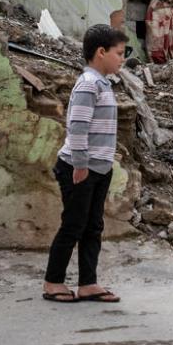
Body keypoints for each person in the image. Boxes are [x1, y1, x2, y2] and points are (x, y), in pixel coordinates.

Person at [42, 24, 128, 304]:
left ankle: (88, 283)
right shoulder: (89, 84)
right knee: (74, 225)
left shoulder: (103, 84)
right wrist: (80, 164)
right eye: (119, 53)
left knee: (93, 226)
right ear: (100, 52)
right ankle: (53, 281)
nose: (122, 59)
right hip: (80, 167)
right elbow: (77, 126)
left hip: (98, 168)